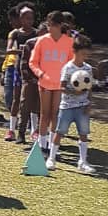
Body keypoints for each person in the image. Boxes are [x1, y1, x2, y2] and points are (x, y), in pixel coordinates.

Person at [29, 11, 74, 154]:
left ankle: (53, 146)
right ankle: (42, 144)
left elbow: (71, 63)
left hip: (60, 84)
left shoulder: (68, 42)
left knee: (56, 114)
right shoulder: (42, 41)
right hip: (45, 83)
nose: (51, 28)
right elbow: (33, 62)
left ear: (60, 25)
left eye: (53, 25)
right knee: (45, 114)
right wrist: (40, 74)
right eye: (49, 25)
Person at [49, 34, 95, 174]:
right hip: (67, 106)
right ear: (75, 51)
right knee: (60, 132)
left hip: (82, 107)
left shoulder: (88, 69)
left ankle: (83, 161)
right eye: (82, 54)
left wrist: (89, 103)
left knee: (83, 134)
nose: (85, 57)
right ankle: (51, 158)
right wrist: (72, 92)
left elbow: (89, 87)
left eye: (87, 55)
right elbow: (61, 86)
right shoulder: (68, 68)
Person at [4, 6, 35, 142]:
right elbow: (9, 50)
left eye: (32, 18)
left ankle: (34, 130)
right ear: (21, 18)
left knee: (34, 100)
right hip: (19, 69)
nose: (30, 21)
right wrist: (23, 50)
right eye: (27, 18)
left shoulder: (37, 33)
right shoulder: (15, 33)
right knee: (16, 99)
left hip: (33, 70)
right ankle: (11, 129)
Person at [16, 22, 45, 145]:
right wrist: (28, 79)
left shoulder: (50, 46)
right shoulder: (30, 43)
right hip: (30, 80)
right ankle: (21, 133)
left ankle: (40, 134)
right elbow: (24, 64)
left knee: (42, 108)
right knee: (25, 106)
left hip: (44, 81)